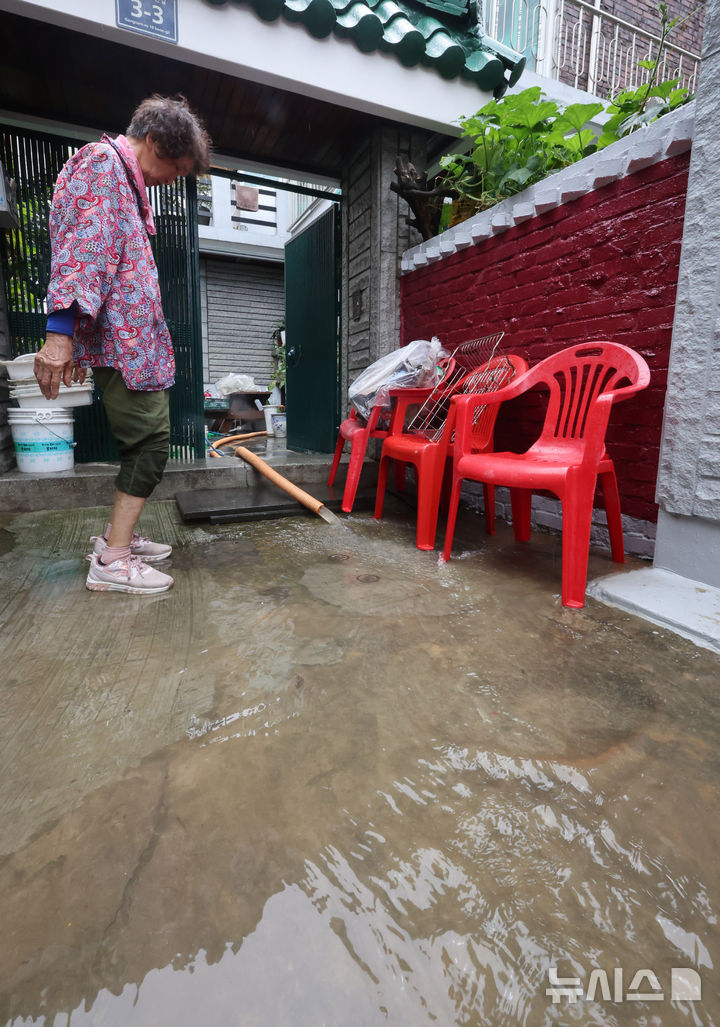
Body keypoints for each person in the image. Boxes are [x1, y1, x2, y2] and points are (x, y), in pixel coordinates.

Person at [34, 94, 210, 595]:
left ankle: (119, 539)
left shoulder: (120, 178)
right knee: (150, 445)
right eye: (172, 168)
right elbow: (82, 251)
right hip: (122, 345)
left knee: (143, 443)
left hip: (130, 345)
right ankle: (111, 562)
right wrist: (59, 335)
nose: (169, 179)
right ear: (152, 141)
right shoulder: (103, 164)